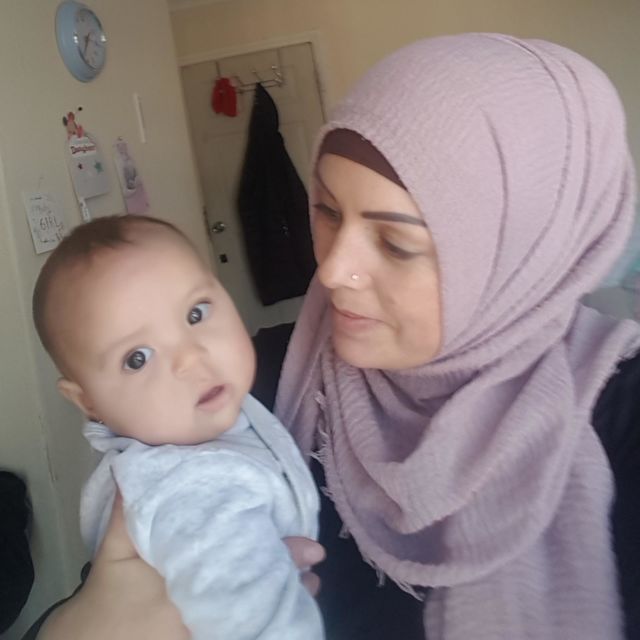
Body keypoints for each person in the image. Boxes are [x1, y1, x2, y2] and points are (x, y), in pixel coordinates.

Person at [29, 33, 640, 640]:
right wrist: (79, 627)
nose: (330, 272)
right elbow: (132, 563)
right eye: (326, 211)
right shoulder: (247, 380)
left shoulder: (619, 419)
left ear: (521, 253)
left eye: (396, 243)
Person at [30, 215, 323, 640]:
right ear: (88, 402)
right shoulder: (189, 482)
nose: (190, 358)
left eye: (196, 313)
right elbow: (254, 620)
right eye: (137, 358)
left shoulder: (192, 429)